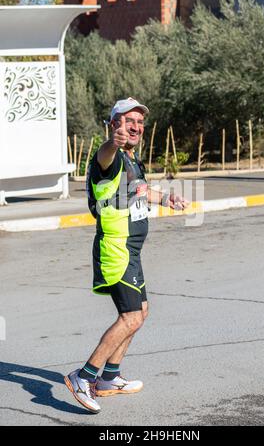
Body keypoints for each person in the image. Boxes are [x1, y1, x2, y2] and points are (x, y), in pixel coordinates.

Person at [64, 97, 189, 413]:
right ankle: (84, 376)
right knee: (130, 316)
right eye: (127, 121)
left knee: (141, 313)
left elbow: (140, 192)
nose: (135, 127)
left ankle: (109, 377)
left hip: (131, 251)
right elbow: (104, 157)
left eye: (139, 123)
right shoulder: (112, 157)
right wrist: (111, 141)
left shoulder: (133, 160)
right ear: (113, 124)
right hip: (116, 251)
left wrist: (166, 199)